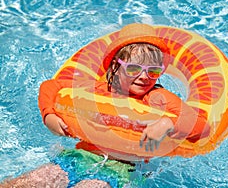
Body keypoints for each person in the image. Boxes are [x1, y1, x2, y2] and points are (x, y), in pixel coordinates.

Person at [3, 23, 210, 187]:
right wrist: (49, 115)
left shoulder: (159, 98)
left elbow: (202, 126)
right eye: (134, 68)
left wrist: (168, 123)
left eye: (153, 71)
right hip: (80, 156)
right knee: (35, 179)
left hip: (123, 170)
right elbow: (52, 86)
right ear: (115, 66)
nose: (144, 77)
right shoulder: (97, 90)